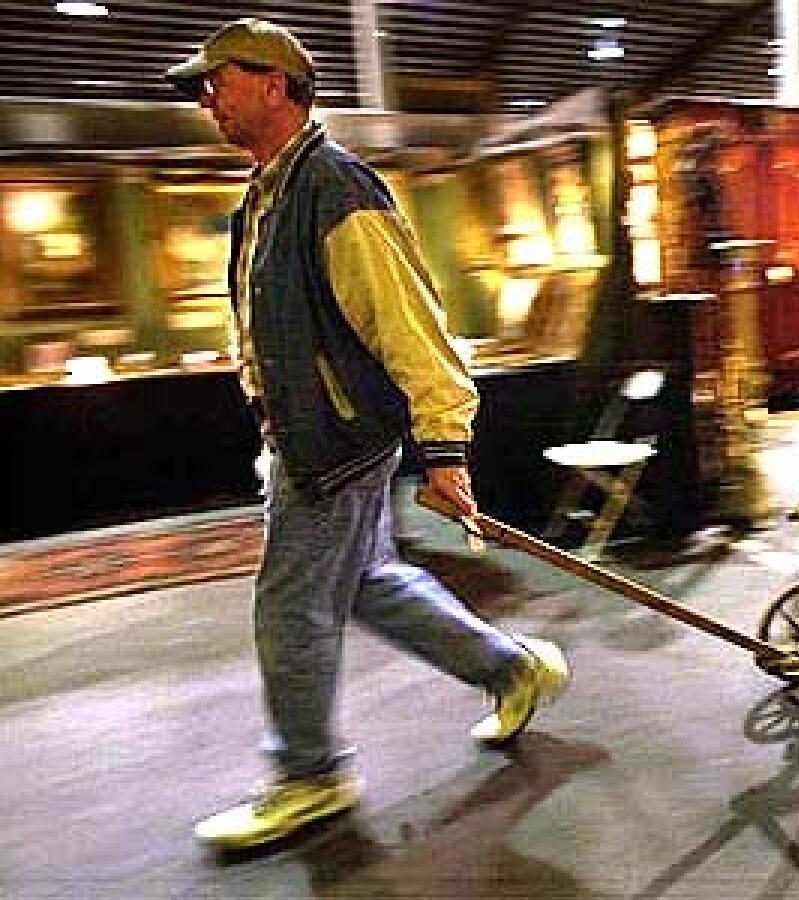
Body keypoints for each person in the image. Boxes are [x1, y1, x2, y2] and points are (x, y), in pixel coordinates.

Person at [164, 19, 569, 850]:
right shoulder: (270, 193)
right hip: (311, 438)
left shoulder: (336, 190)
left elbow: (410, 325)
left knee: (289, 606)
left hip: (336, 448)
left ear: (275, 84)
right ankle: (512, 667)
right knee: (364, 583)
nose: (206, 98)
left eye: (218, 81)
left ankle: (309, 775)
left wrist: (445, 447)